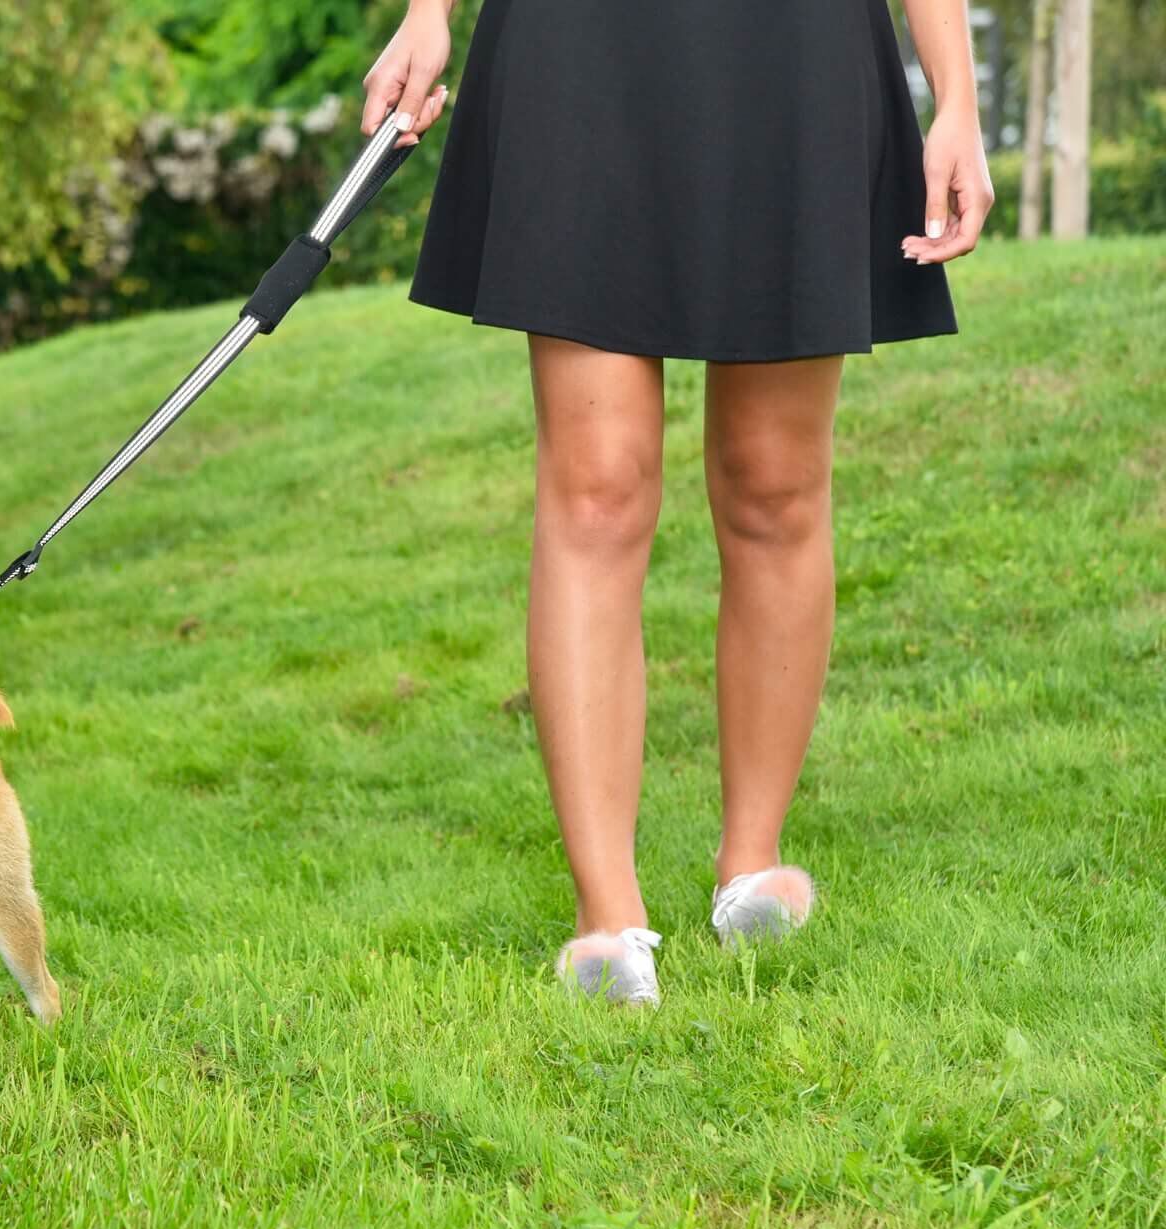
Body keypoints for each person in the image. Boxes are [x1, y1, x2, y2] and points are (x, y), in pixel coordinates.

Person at [363, 1, 993, 1003]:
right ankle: (604, 912)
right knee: (595, 485)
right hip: (582, 44)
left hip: (795, 49)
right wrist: (426, 12)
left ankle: (751, 862)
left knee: (773, 481)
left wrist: (955, 99)